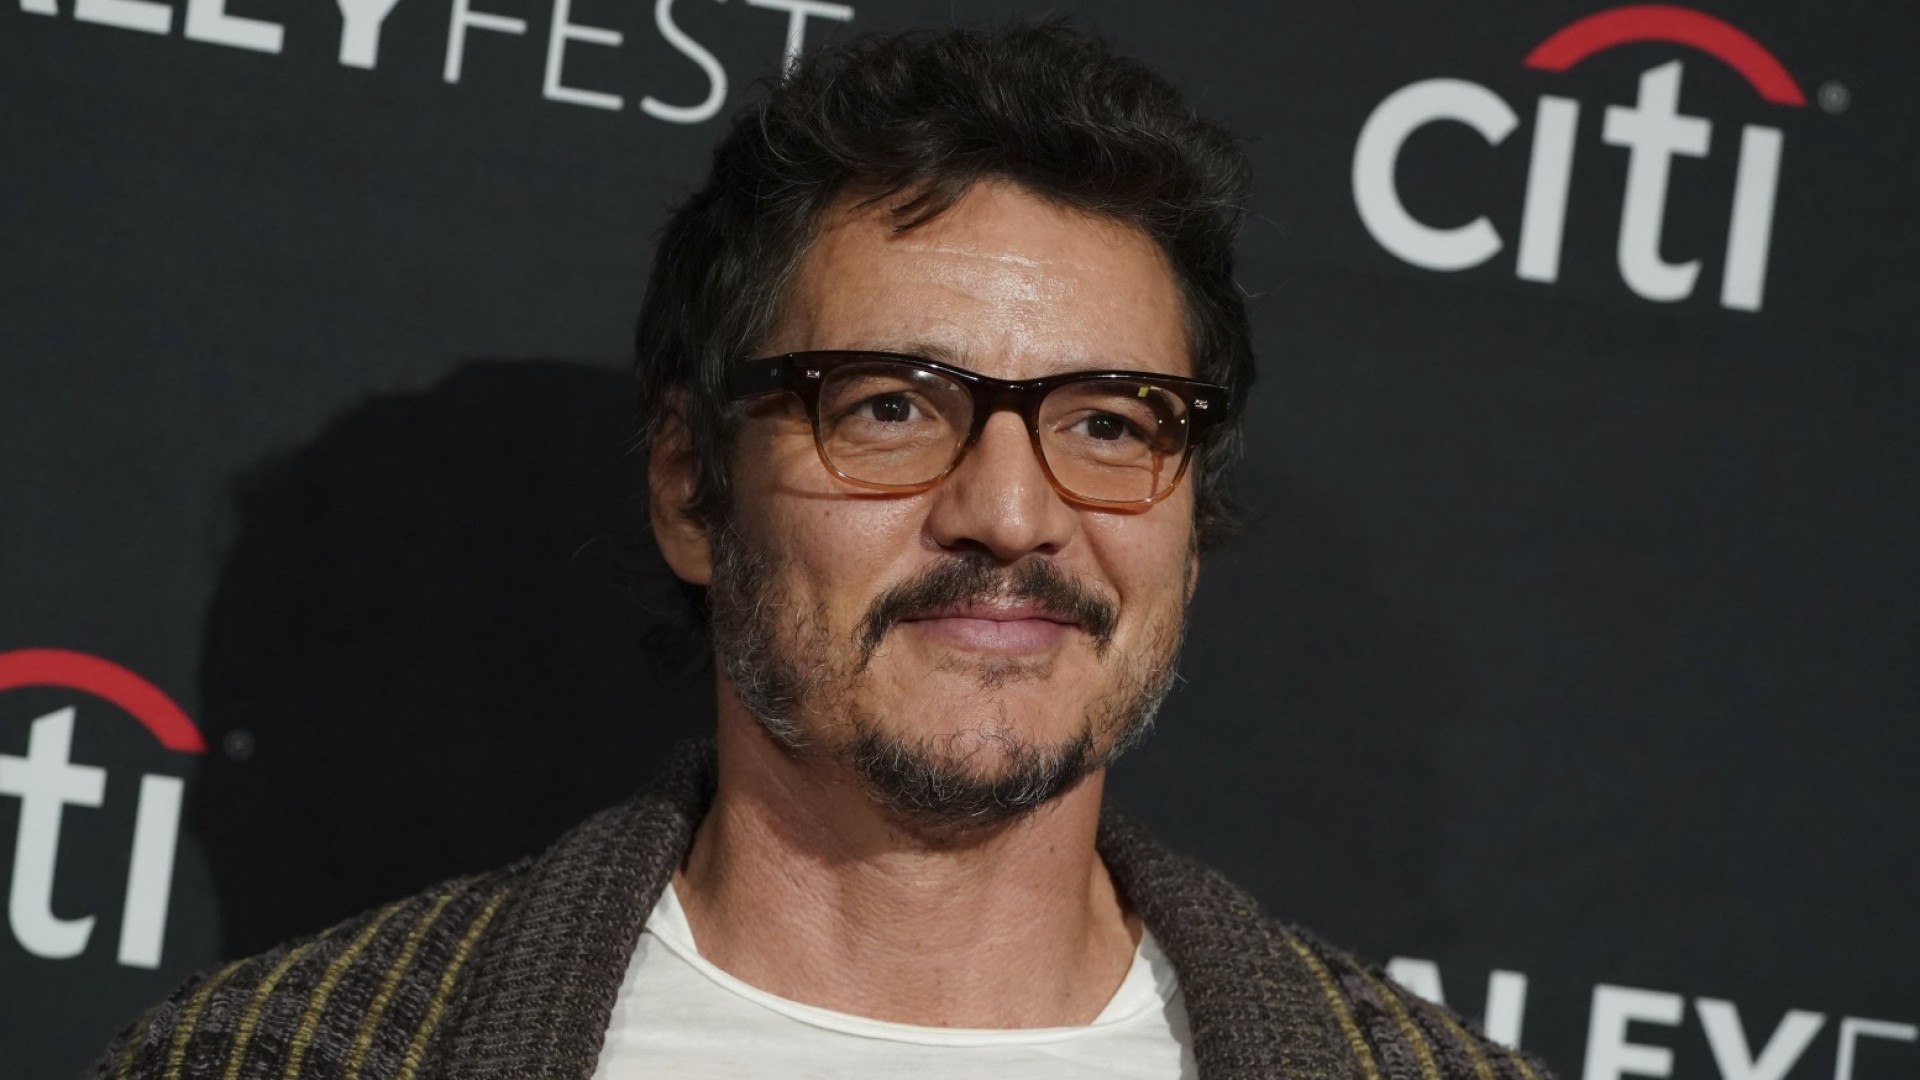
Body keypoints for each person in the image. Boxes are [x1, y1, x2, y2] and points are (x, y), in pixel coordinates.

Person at [96, 20, 1554, 1080]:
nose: (1010, 513)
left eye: (1110, 423)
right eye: (889, 407)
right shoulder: (279, 1055)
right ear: (691, 487)